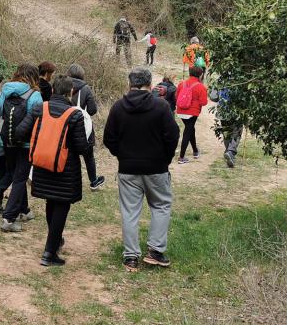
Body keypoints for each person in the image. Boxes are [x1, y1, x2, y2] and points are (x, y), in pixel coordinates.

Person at [102, 67, 180, 272]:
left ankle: (131, 258)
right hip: (157, 168)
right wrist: (165, 158)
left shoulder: (118, 107)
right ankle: (155, 251)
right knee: (161, 206)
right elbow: (173, 135)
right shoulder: (161, 106)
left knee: (129, 212)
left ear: (130, 84)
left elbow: (108, 138)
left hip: (128, 168)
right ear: (150, 84)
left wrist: (122, 155)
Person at [15, 75, 91, 266]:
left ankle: (55, 243)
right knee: (62, 206)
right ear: (70, 92)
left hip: (43, 165)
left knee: (51, 201)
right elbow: (82, 148)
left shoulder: (40, 108)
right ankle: (49, 252)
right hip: (66, 169)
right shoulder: (75, 115)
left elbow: (19, 132)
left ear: (54, 89)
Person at [0, 64, 43, 227]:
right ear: (34, 77)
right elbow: (38, 121)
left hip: (7, 140)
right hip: (26, 143)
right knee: (20, 178)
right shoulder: (35, 95)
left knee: (16, 174)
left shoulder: (5, 90)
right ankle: (9, 217)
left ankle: (24, 210)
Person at [67, 64, 105, 190]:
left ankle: (69, 182)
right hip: (83, 127)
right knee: (88, 156)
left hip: (65, 125)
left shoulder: (62, 85)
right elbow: (93, 110)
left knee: (69, 155)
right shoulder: (86, 89)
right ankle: (93, 181)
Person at [176, 66, 208, 164]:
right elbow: (204, 102)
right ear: (200, 74)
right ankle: (181, 157)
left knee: (190, 129)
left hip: (181, 111)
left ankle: (195, 151)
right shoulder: (201, 86)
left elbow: (176, 96)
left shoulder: (182, 84)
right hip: (192, 113)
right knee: (187, 131)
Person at [213, 86, 243, 169]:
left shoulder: (221, 79)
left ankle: (228, 152)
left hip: (222, 111)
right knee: (237, 131)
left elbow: (213, 97)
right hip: (236, 111)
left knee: (226, 132)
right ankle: (231, 152)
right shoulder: (241, 77)